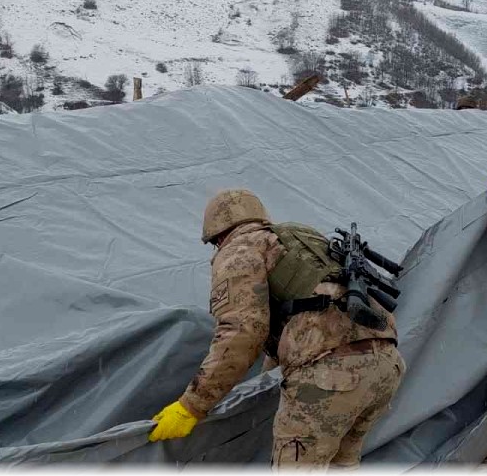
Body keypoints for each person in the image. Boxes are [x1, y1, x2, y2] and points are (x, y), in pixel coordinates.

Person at [148, 190, 404, 468]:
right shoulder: (300, 238)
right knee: (342, 465)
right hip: (386, 365)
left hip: (331, 377)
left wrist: (191, 406)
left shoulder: (238, 252)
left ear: (218, 236)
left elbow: (242, 333)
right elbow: (298, 318)